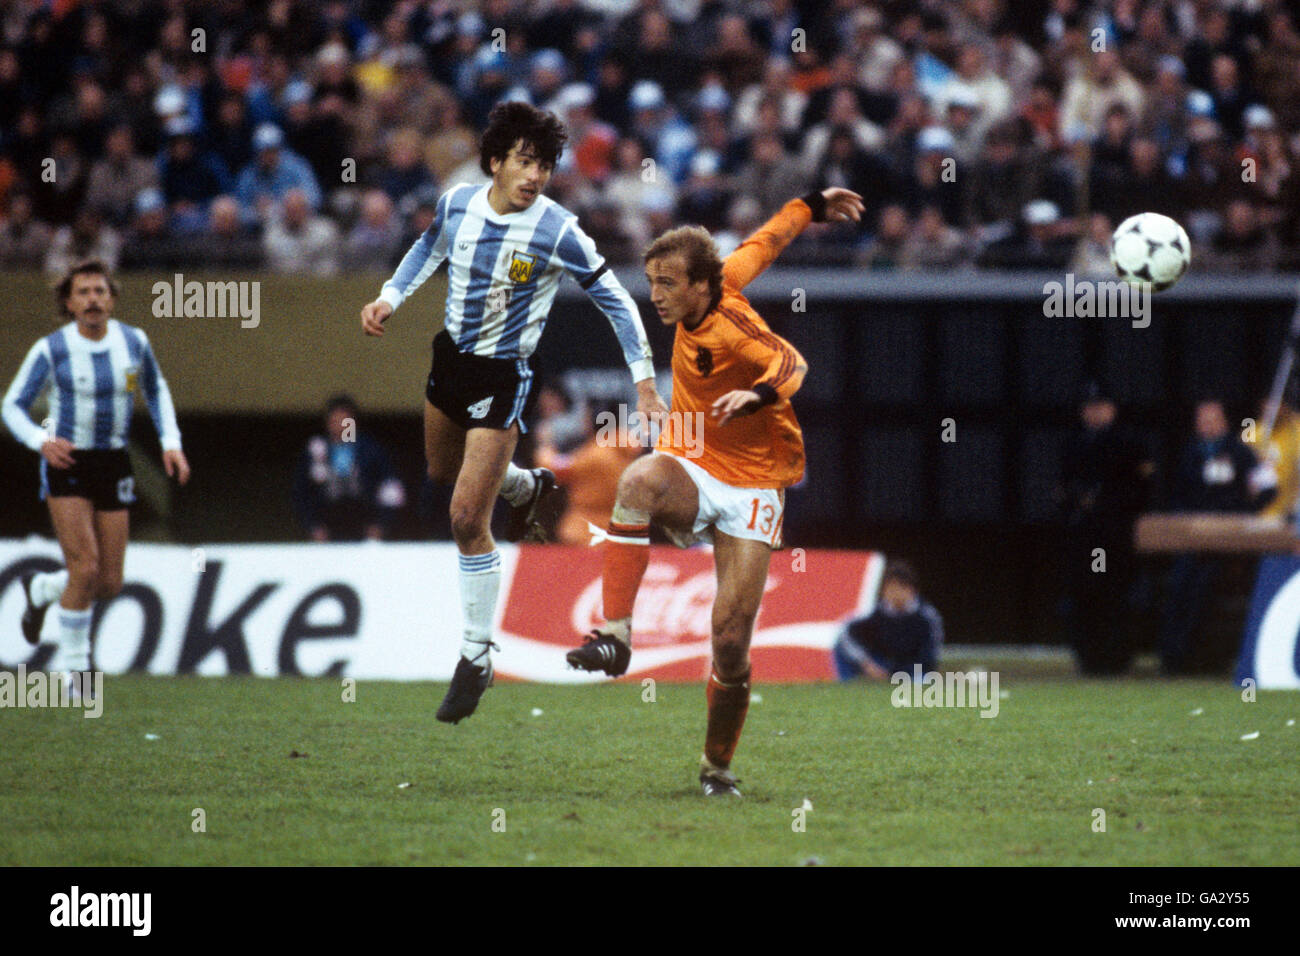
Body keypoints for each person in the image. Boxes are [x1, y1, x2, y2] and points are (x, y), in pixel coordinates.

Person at [359, 102, 666, 724]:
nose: (535, 176)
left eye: (546, 165)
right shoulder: (456, 205)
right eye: (525, 162)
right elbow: (426, 248)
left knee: (466, 514)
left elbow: (617, 303)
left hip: (504, 375)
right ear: (495, 161)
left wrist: (645, 384)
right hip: (450, 361)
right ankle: (526, 485)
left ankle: (476, 655)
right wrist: (390, 295)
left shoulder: (558, 230)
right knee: (443, 473)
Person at [565, 185, 865, 797]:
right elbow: (767, 238)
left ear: (701, 285)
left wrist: (754, 395)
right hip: (694, 456)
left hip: (755, 479)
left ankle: (716, 768)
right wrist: (809, 203)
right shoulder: (720, 274)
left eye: (667, 284)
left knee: (730, 642)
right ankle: (616, 636)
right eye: (652, 282)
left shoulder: (731, 328)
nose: (656, 296)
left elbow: (792, 365)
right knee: (639, 478)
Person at [2, 260, 190, 692]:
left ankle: (42, 590)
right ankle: (76, 673)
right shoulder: (52, 349)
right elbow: (12, 405)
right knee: (84, 568)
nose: (92, 300)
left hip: (113, 462)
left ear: (112, 299)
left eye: (99, 292)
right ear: (69, 302)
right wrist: (38, 440)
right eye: (83, 292)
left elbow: (157, 391)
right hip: (67, 462)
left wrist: (171, 442)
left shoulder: (133, 342)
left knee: (108, 581)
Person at [1160, 398, 1275, 674]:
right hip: (1193, 539)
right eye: (1201, 420)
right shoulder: (1190, 453)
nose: (1206, 425)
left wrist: (1243, 514)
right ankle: (1174, 659)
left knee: (1206, 590)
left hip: (1226, 544)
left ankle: (1204, 659)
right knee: (1178, 589)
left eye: (1211, 419)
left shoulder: (1241, 452)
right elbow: (1176, 493)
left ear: (1223, 421)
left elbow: (1268, 488)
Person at [1056, 382, 1154, 675]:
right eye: (1088, 408)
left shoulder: (1129, 443)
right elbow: (1063, 487)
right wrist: (1079, 502)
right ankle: (1088, 658)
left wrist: (1105, 504)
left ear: (1111, 409)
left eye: (1099, 407)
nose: (1093, 413)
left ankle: (1116, 659)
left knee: (1115, 596)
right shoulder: (1074, 442)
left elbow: (1142, 488)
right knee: (1084, 596)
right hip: (1083, 535)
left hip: (1115, 534)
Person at [293, 395, 406, 542]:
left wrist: (381, 524)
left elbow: (390, 487)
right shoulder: (315, 450)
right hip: (328, 523)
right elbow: (301, 492)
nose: (340, 426)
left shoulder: (371, 450)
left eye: (345, 421)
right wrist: (312, 526)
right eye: (334, 421)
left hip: (365, 520)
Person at [832, 560, 944, 680]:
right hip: (881, 663)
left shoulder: (926, 618)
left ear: (911, 590)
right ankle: (848, 685)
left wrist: (899, 674)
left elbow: (930, 654)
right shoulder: (874, 614)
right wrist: (866, 663)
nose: (893, 593)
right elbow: (845, 634)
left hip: (912, 668)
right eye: (889, 588)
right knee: (841, 647)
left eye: (898, 588)